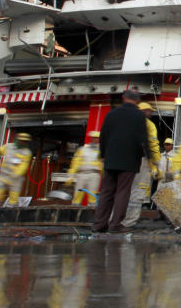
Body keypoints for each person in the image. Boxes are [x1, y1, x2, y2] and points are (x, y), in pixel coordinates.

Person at [93, 90, 149, 233]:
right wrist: (146, 155)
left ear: (124, 98)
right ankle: (115, 224)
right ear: (137, 101)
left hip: (111, 159)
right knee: (122, 192)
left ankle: (99, 224)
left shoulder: (111, 113)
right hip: (129, 160)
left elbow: (103, 135)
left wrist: (104, 154)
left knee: (106, 192)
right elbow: (143, 139)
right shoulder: (139, 116)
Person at [121, 102, 162, 227]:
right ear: (144, 111)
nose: (151, 113)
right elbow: (153, 144)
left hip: (125, 161)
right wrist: (156, 163)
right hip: (142, 161)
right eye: (150, 111)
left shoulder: (126, 122)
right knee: (138, 192)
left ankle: (116, 219)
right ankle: (129, 222)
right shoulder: (149, 125)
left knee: (122, 190)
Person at [0, 132, 34, 214]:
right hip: (4, 175)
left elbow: (24, 166)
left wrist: (15, 175)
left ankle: (9, 213)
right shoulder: (8, 147)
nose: (23, 142)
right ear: (17, 140)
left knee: (14, 196)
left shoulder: (27, 153)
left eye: (25, 141)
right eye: (21, 140)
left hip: (16, 178)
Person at [66, 131, 102, 207]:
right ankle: (74, 210)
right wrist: (71, 175)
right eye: (94, 138)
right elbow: (75, 162)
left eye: (97, 138)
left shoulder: (102, 150)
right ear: (91, 138)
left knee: (92, 194)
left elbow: (103, 164)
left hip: (94, 174)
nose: (95, 140)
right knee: (78, 194)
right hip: (82, 174)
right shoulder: (82, 149)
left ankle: (91, 211)